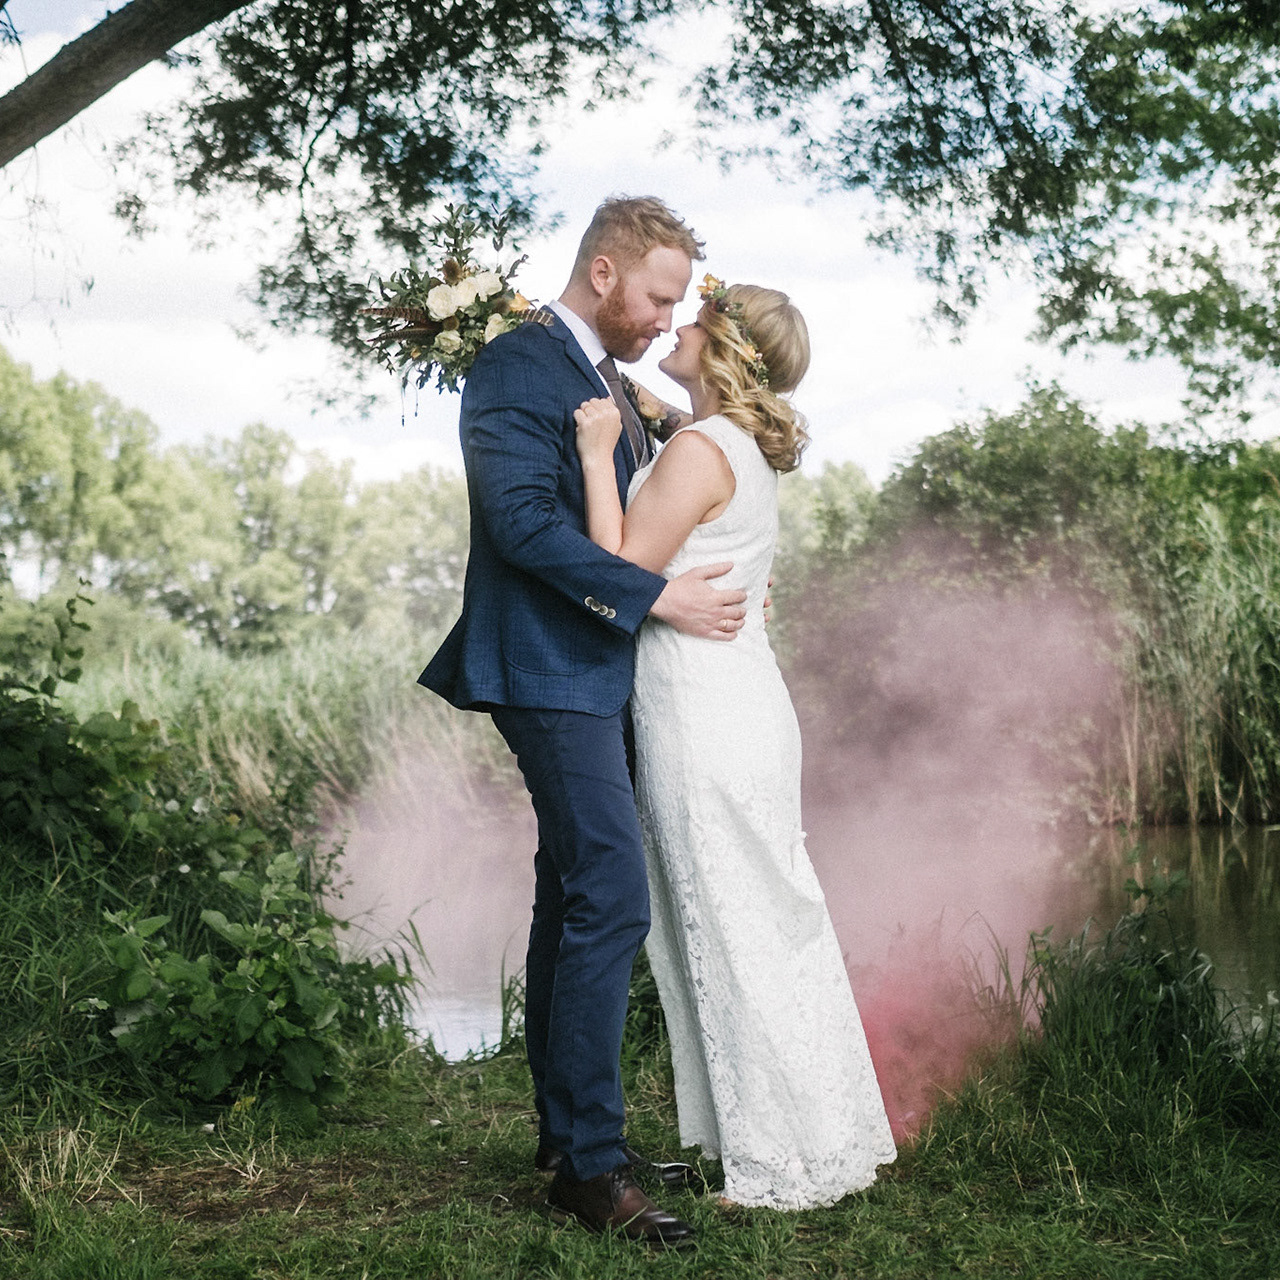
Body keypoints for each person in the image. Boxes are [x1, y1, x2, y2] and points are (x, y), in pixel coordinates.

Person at [419, 197, 749, 1248]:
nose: (665, 319)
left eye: (677, 304)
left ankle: (571, 1144)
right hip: (546, 667)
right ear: (603, 273)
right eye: (655, 297)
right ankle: (592, 1167)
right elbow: (519, 525)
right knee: (611, 891)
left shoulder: (603, 379)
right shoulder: (520, 363)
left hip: (595, 672)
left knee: (571, 894)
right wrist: (657, 598)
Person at [573, 277, 898, 1209]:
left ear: (723, 348)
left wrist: (596, 455)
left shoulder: (698, 450)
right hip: (743, 703)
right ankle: (818, 1136)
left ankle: (775, 1164)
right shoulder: (737, 444)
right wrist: (644, 408)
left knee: (732, 926)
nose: (677, 325)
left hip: (702, 713)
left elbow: (617, 573)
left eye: (699, 317)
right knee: (770, 924)